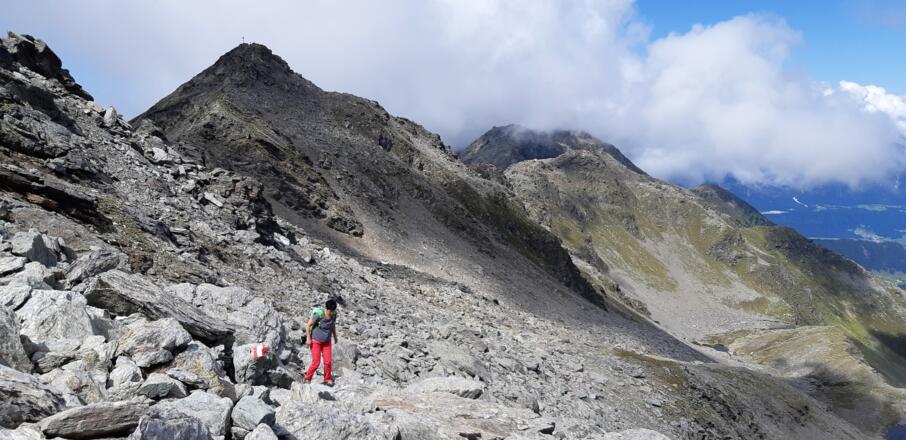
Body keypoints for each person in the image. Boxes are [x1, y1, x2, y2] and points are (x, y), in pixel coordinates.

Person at [304, 299, 338, 386]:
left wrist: (335, 336)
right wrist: (308, 338)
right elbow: (308, 326)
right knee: (316, 362)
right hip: (316, 341)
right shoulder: (319, 315)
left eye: (333, 311)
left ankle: (327, 378)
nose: (331, 312)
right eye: (330, 311)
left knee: (328, 362)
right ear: (326, 309)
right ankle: (307, 378)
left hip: (327, 342)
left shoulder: (333, 315)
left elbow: (332, 325)